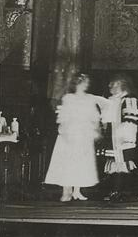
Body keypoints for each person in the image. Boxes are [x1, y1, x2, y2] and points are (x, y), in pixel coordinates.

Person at [44, 73, 105, 202]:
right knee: (68, 161)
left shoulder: (90, 98)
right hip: (70, 133)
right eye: (84, 82)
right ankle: (66, 191)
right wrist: (65, 131)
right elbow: (64, 116)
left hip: (84, 134)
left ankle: (77, 190)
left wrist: (96, 129)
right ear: (77, 83)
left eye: (87, 82)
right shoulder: (69, 98)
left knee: (81, 162)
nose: (86, 84)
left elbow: (94, 116)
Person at [99, 75, 138, 202]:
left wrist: (125, 137)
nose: (110, 87)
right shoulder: (112, 100)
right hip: (112, 137)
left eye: (113, 84)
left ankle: (121, 192)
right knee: (114, 163)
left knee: (123, 162)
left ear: (121, 85)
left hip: (122, 138)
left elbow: (131, 121)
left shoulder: (129, 100)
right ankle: (115, 191)